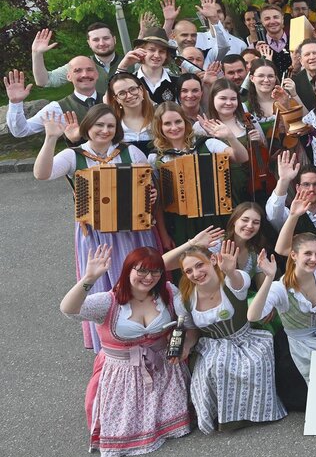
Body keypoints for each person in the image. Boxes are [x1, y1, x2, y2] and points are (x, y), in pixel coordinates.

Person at [34, 105, 162, 351]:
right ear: (88, 128)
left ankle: (146, 332)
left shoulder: (131, 152)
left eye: (110, 126)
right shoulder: (74, 156)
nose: (104, 130)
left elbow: (147, 185)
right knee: (104, 282)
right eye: (99, 125)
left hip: (134, 232)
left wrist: (150, 194)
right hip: (96, 235)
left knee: (141, 277)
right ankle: (111, 343)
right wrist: (51, 137)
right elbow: (42, 174)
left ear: (117, 130)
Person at [60, 245, 191, 457]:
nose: (149, 277)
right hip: (122, 376)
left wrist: (185, 344)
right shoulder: (107, 302)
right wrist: (89, 278)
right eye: (141, 271)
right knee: (125, 431)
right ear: (128, 270)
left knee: (174, 424)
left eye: (155, 271)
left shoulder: (167, 291)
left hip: (163, 370)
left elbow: (186, 322)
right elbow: (68, 309)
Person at [174, 244, 286, 434]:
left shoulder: (231, 280)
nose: (196, 273)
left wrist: (230, 271)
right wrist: (185, 347)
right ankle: (221, 417)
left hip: (245, 338)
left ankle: (255, 413)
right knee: (216, 364)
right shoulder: (184, 299)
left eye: (199, 265)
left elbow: (239, 284)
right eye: (189, 271)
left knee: (250, 363)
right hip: (212, 343)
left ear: (212, 260)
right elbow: (192, 331)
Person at [248, 230, 316, 383]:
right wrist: (269, 277)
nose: (314, 259)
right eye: (307, 253)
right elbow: (253, 316)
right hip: (299, 348)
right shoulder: (281, 288)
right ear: (294, 255)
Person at [149, 102, 249, 244]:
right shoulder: (155, 157)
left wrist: (230, 137)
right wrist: (164, 235)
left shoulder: (206, 144)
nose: (174, 127)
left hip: (215, 216)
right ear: (159, 126)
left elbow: (242, 157)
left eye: (178, 121)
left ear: (185, 121)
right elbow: (159, 202)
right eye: (167, 124)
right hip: (181, 222)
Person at [5, 57, 101, 138]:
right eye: (77, 71)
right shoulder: (57, 108)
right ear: (68, 76)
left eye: (89, 69)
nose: (84, 74)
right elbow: (21, 131)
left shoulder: (112, 100)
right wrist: (15, 103)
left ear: (97, 74)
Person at [32, 24, 123, 95]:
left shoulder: (132, 62)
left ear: (114, 39)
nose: (102, 43)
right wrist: (37, 54)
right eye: (96, 40)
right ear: (89, 43)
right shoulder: (79, 66)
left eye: (106, 38)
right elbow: (44, 81)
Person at [107, 72, 156, 155]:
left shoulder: (158, 118)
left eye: (133, 89)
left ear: (141, 89)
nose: (129, 96)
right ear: (116, 99)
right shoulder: (113, 124)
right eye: (122, 93)